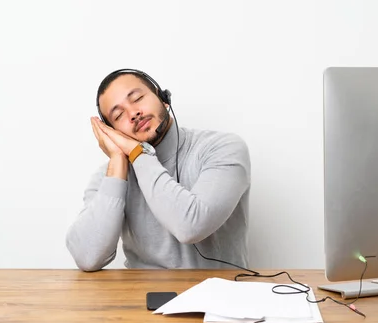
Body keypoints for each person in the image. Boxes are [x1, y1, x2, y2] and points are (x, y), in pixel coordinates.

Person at [65, 69, 251, 271]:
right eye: (118, 115)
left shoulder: (223, 148)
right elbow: (87, 257)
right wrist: (118, 159)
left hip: (221, 295)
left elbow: (190, 226)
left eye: (137, 98)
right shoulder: (111, 175)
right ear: (113, 132)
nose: (133, 113)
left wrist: (138, 154)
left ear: (162, 98)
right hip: (142, 296)